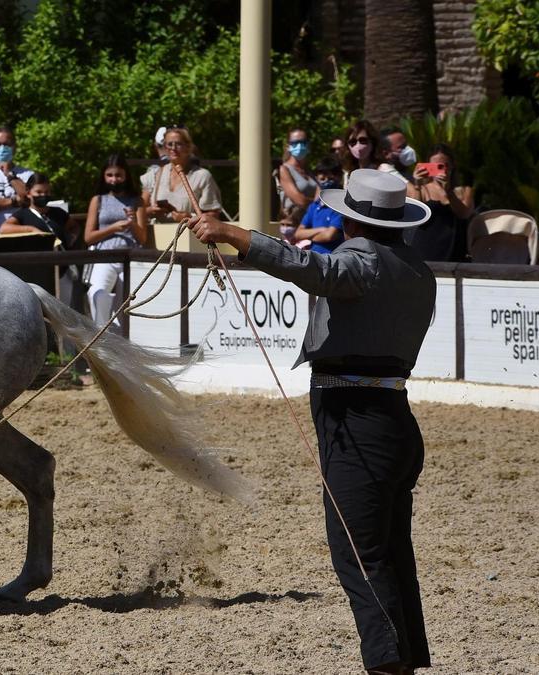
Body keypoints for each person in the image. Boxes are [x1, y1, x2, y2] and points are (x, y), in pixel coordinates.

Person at [189, 169, 435, 674]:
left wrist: (235, 234)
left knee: (359, 556)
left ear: (352, 222)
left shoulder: (361, 260)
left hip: (357, 422)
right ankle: (403, 659)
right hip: (393, 419)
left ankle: (388, 664)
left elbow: (311, 268)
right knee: (387, 551)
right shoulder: (416, 268)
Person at [83, 155, 147, 329]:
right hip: (105, 256)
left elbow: (142, 238)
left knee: (126, 305)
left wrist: (132, 223)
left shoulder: (137, 200)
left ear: (126, 175)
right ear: (104, 176)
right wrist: (113, 228)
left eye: (118, 175)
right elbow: (88, 237)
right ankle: (101, 336)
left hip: (131, 257)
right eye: (109, 175)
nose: (114, 179)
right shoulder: (98, 200)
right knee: (97, 294)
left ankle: (121, 344)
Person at [1, 173, 75, 302]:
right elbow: (4, 228)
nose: (43, 195)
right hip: (37, 273)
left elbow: (74, 227)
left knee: (64, 310)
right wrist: (30, 229)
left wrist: (71, 238)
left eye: (46, 192)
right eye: (39, 192)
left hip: (61, 271)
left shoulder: (58, 213)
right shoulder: (23, 214)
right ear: (29, 193)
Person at [404, 144, 475, 262]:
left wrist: (449, 192)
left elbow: (464, 214)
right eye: (439, 166)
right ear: (429, 167)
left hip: (456, 254)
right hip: (426, 252)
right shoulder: (422, 190)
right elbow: (414, 215)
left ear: (453, 166)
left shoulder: (463, 191)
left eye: (447, 166)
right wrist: (417, 184)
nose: (444, 170)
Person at [141, 126, 223, 225]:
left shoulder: (202, 176)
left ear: (188, 147)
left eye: (178, 144)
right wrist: (151, 210)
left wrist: (189, 217)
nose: (173, 148)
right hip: (159, 237)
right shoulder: (155, 175)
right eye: (169, 144)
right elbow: (140, 210)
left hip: (189, 237)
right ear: (165, 147)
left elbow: (214, 215)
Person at [293, 155, 345, 253]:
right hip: (314, 259)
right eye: (322, 178)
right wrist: (321, 229)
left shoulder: (341, 206)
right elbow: (298, 234)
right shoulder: (314, 206)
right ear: (317, 178)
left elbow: (329, 235)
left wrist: (309, 236)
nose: (326, 181)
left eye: (330, 178)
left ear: (339, 177)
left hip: (334, 260)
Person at [277, 127, 318, 226]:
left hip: (311, 224)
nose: (299, 146)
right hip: (293, 226)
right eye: (295, 142)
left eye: (303, 142)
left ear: (308, 145)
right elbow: (300, 200)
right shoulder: (284, 170)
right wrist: (319, 206)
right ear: (288, 146)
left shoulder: (310, 171)